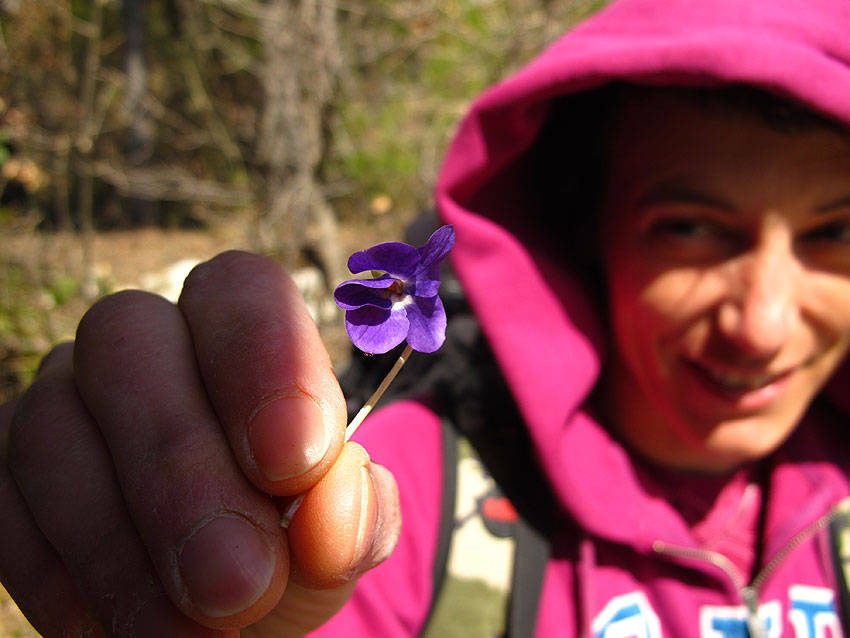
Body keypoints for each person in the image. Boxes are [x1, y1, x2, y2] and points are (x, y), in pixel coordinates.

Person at [3, 0, 850, 636]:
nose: (764, 323)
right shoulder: (399, 500)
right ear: (582, 225)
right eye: (692, 229)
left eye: (836, 231)